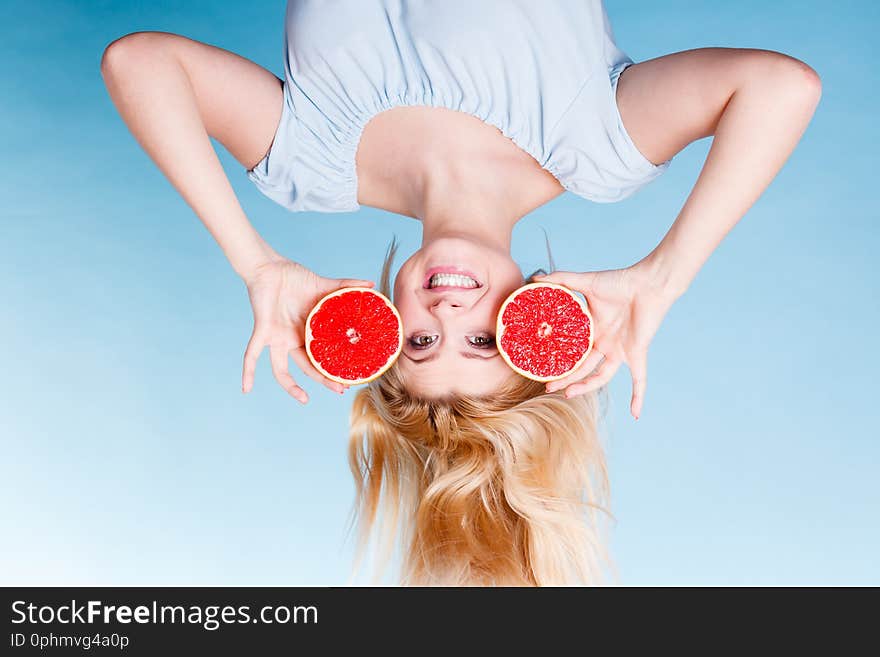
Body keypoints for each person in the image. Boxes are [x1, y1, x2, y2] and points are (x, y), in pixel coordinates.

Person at [101, 1, 821, 585]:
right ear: (536, 324)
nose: (446, 314)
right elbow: (783, 87)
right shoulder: (602, 146)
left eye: (419, 342)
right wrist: (665, 275)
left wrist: (254, 263)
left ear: (380, 327)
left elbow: (137, 62)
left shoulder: (306, 164)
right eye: (480, 342)